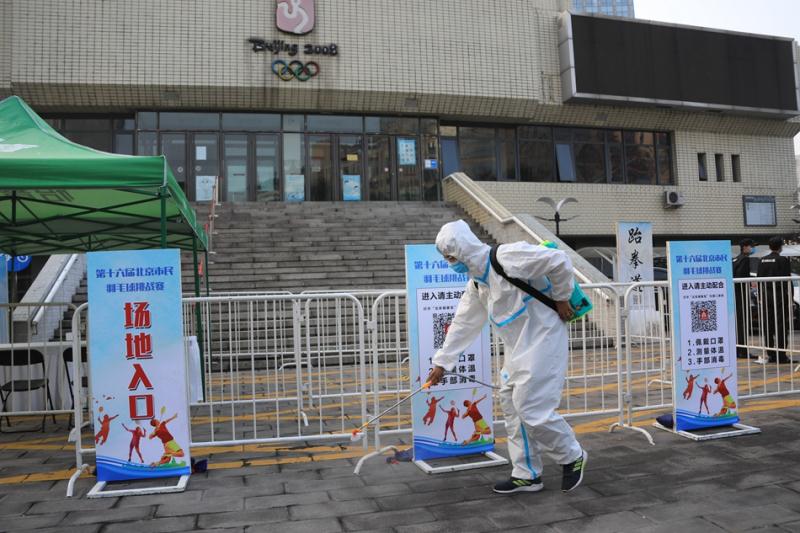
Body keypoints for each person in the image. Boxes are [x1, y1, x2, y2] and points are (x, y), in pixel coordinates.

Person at [427, 220, 586, 494]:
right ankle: (527, 473)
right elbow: (463, 323)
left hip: (544, 338)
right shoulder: (477, 284)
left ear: (463, 251)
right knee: (511, 407)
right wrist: (442, 362)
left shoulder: (506, 257)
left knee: (531, 407)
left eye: (451, 257)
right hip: (517, 348)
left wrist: (562, 297)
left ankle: (572, 455)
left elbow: (559, 260)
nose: (450, 263)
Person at [757, 236, 792, 364]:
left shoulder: (762, 260)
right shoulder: (782, 260)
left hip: (766, 296)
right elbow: (787, 280)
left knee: (768, 325)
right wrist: (790, 297)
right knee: (781, 325)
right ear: (781, 246)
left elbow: (759, 280)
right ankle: (781, 355)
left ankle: (770, 354)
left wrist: (760, 296)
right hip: (779, 296)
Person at [732, 239, 756, 358]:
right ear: (745, 247)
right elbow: (742, 276)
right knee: (743, 323)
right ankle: (743, 351)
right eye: (751, 246)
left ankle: (738, 349)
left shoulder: (736, 258)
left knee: (738, 324)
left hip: (735, 295)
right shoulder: (745, 259)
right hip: (741, 295)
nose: (752, 249)